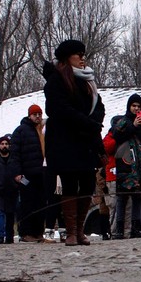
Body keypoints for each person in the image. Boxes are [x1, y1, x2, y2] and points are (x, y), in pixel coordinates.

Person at [42, 38, 106, 245]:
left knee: (87, 182)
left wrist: (94, 122)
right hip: (66, 141)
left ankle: (79, 230)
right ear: (68, 57)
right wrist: (85, 122)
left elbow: (99, 106)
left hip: (86, 140)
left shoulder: (88, 81)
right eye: (79, 55)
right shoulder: (56, 79)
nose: (82, 59)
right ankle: (70, 231)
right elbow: (57, 109)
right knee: (70, 183)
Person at [108, 95, 141, 239]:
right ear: (129, 106)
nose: (136, 109)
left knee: (137, 197)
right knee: (122, 198)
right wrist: (133, 126)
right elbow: (116, 136)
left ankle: (136, 228)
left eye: (139, 106)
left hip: (139, 167)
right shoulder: (123, 121)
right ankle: (119, 229)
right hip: (125, 165)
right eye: (134, 106)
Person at [11, 105, 49, 241]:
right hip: (26, 174)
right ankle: (26, 233)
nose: (38, 116)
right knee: (27, 204)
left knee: (41, 204)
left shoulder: (42, 131)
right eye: (35, 114)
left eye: (39, 114)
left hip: (41, 173)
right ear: (30, 116)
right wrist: (17, 173)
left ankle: (38, 232)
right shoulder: (21, 131)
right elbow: (15, 154)